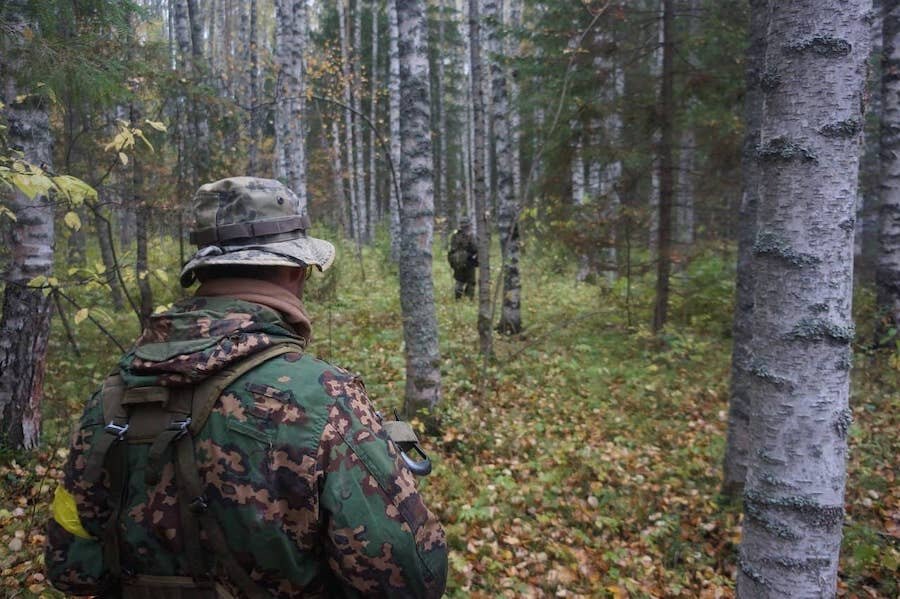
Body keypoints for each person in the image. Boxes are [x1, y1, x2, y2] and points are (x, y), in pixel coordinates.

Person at [45, 177, 448, 598]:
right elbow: (411, 580)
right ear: (295, 271)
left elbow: (70, 568)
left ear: (202, 272)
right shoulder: (324, 398)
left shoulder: (115, 393)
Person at [447, 217, 477, 300]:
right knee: (470, 281)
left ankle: (458, 299)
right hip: (467, 261)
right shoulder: (469, 235)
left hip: (457, 262)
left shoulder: (455, 234)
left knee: (460, 281)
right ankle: (468, 299)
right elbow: (475, 248)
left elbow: (452, 249)